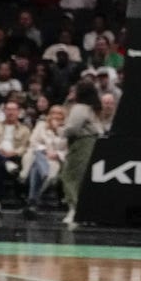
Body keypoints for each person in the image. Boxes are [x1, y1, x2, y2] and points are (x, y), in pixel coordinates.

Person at [60, 82, 104, 225]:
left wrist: (60, 131)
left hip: (82, 143)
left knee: (71, 176)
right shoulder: (91, 108)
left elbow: (72, 128)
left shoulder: (80, 108)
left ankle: (74, 209)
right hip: (90, 142)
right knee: (80, 177)